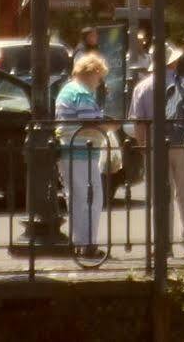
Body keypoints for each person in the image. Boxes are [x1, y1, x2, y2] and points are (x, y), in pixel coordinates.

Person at [129, 44, 184, 257]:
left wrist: (143, 147)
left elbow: (138, 123)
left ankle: (163, 244)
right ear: (173, 62)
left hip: (156, 145)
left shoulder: (142, 87)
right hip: (183, 143)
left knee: (160, 197)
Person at [55, 51, 112, 259]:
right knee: (93, 197)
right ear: (93, 72)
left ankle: (80, 242)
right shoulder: (82, 94)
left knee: (76, 197)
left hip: (69, 150)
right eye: (100, 76)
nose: (99, 82)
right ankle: (88, 244)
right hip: (82, 152)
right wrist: (110, 127)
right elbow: (90, 125)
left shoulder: (67, 91)